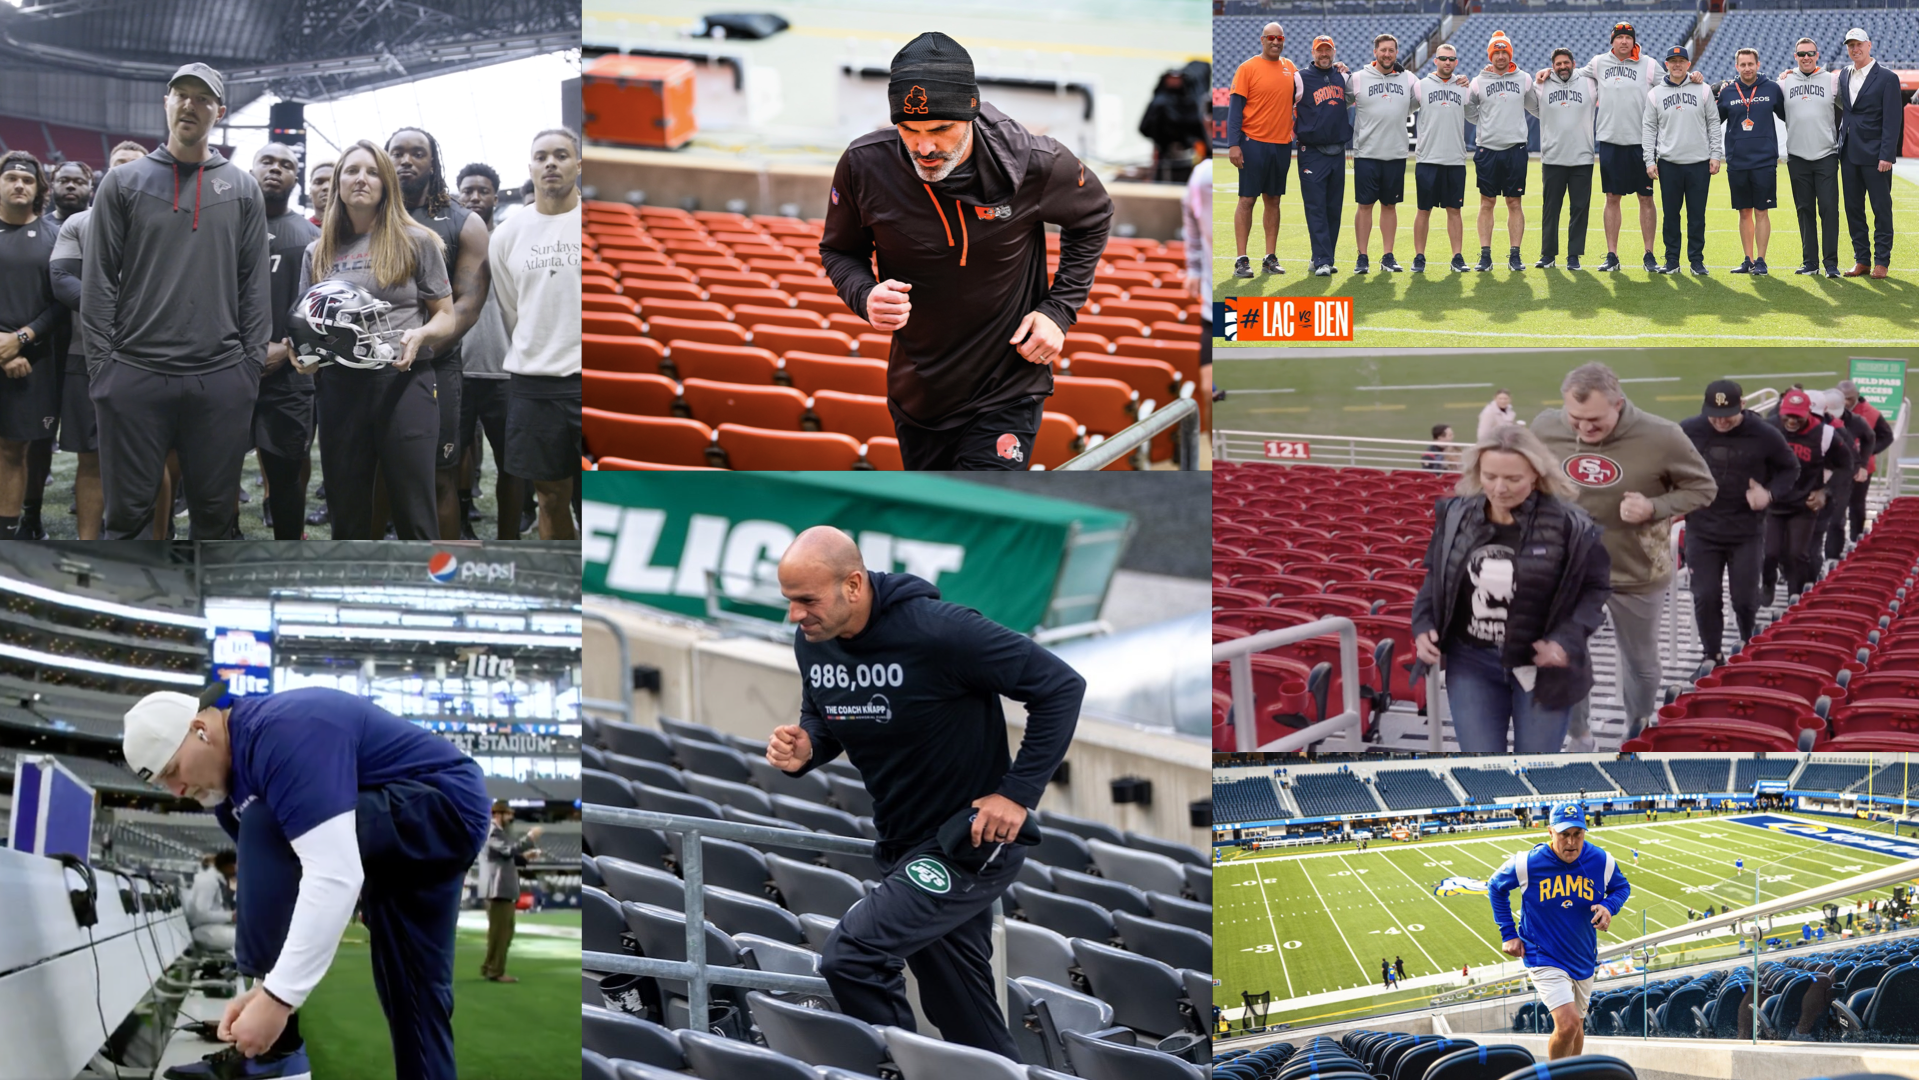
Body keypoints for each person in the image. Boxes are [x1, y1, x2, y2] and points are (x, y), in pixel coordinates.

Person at [767, 525, 1082, 1058]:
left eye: (806, 601)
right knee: (963, 1012)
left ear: (853, 585)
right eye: (789, 602)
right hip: (899, 839)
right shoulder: (815, 642)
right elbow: (823, 712)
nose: (795, 615)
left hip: (968, 841)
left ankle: (901, 1068)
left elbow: (1060, 687)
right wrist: (808, 747)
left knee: (853, 956)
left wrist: (1016, 793)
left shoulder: (942, 631)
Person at [124, 685, 490, 1080]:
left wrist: (276, 1000)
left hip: (444, 804)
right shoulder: (228, 797)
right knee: (414, 998)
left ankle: (275, 1055)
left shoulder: (283, 731)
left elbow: (333, 874)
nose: (176, 791)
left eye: (173, 771)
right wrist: (261, 988)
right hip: (405, 831)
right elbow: (280, 890)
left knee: (265, 821)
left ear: (200, 729)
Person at [819, 32, 1113, 468]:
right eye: (909, 129)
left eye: (941, 129)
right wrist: (865, 295)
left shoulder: (1036, 161)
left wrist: (1059, 311)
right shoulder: (864, 164)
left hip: (1007, 388)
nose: (925, 147)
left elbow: (1094, 216)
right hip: (918, 391)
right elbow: (839, 251)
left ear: (971, 112)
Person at [82, 63, 269, 540]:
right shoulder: (122, 183)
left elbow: (253, 285)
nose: (190, 104)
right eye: (181, 94)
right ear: (165, 103)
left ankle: (202, 610)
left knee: (214, 517)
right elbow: (98, 278)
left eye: (203, 98)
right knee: (127, 517)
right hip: (134, 373)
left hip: (221, 376)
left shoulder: (243, 188)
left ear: (219, 112)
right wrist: (104, 367)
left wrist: (247, 369)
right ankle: (132, 613)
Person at [1534, 362, 1716, 745]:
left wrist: (1654, 507)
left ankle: (1638, 725)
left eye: (1595, 419)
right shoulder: (1545, 427)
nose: (1584, 428)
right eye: (1575, 418)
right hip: (1570, 571)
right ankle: (1579, 733)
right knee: (1567, 655)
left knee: (1640, 662)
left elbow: (1703, 489)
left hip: (1636, 569)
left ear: (1619, 403)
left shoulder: (1663, 435)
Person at [1410, 424, 1612, 753]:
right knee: (1483, 768)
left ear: (1535, 474)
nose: (1499, 488)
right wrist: (1422, 625)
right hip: (1470, 663)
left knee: (1534, 770)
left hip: (1541, 668)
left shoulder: (1572, 525)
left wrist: (1565, 640)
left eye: (1513, 479)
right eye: (1490, 476)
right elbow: (1435, 578)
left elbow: (1596, 590)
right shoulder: (1454, 514)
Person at [295, 140, 457, 539]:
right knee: (346, 510)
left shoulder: (416, 241)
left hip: (405, 382)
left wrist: (419, 335)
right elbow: (306, 323)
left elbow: (446, 316)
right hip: (340, 388)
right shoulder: (317, 251)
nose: (361, 179)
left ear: (385, 183)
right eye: (351, 171)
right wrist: (305, 356)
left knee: (414, 510)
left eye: (371, 172)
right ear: (338, 184)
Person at [389, 127, 491, 539]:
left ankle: (443, 569)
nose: (406, 160)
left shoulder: (462, 222)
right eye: (397, 152)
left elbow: (468, 304)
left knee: (439, 476)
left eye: (417, 153)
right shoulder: (370, 212)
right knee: (379, 473)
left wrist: (424, 346)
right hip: (373, 366)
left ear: (434, 163)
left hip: (435, 369)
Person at [48, 140, 145, 540]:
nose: (126, 172)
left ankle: (148, 542)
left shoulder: (169, 222)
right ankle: (90, 544)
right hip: (85, 354)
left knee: (147, 461)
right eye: (119, 164)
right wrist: (117, 307)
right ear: (107, 171)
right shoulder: (80, 222)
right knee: (90, 459)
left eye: (134, 166)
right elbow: (60, 280)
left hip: (151, 357)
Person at [1547, 23, 1697, 273]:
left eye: (1628, 37)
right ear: (1612, 41)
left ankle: (1649, 254)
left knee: (1646, 198)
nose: (1624, 42)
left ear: (1634, 41)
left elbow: (1674, 80)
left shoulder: (1648, 64)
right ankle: (1612, 255)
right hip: (1610, 142)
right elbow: (1571, 75)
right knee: (1612, 198)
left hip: (1641, 144)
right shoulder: (1598, 62)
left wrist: (1695, 78)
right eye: (1620, 38)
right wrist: (1545, 73)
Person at [489, 129, 580, 540]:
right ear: (530, 167)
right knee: (549, 497)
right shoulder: (508, 233)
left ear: (579, 164)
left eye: (561, 155)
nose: (550, 163)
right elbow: (512, 309)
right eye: (541, 156)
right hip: (535, 386)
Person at [1487, 803, 1631, 1061]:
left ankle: (1571, 1073)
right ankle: (1554, 1074)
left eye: (1577, 833)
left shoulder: (1601, 860)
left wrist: (1609, 906)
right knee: (1566, 1024)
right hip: (1543, 954)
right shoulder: (1527, 863)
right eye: (1564, 834)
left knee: (1576, 1026)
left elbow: (1621, 888)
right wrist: (1508, 933)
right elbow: (1496, 886)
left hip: (1583, 955)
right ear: (1550, 832)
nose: (1571, 842)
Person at [1678, 380, 1799, 664]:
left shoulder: (1765, 434)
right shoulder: (1687, 430)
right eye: (1714, 414)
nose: (1720, 421)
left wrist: (1768, 494)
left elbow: (1790, 469)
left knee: (1744, 599)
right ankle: (1712, 655)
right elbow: (1665, 467)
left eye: (1728, 414)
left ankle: (1748, 645)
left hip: (1747, 530)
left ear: (1742, 406)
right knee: (1706, 596)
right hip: (1702, 529)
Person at [250, 143, 320, 540]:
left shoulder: (312, 236)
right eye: (268, 162)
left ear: (297, 178)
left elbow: (320, 310)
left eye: (287, 165)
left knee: (287, 477)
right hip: (226, 368)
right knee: (214, 475)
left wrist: (287, 346)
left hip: (289, 376)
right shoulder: (227, 225)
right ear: (252, 168)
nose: (276, 169)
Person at [24, 160, 94, 540]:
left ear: (90, 185)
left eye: (78, 181)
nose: (71, 186)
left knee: (92, 447)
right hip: (47, 347)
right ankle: (30, 514)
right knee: (36, 437)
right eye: (64, 180)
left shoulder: (101, 226)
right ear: (52, 184)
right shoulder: (41, 230)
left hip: (86, 346)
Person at [0, 151, 64, 541]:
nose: (19, 184)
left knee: (13, 452)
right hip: (8, 357)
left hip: (33, 361)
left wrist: (21, 339)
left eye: (28, 179)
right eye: (11, 178)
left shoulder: (54, 238)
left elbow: (62, 303)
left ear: (40, 188)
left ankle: (7, 537)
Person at [453, 161, 517, 541]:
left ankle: (511, 537)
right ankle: (459, 522)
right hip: (457, 368)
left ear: (496, 195)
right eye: (468, 190)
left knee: (512, 464)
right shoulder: (449, 239)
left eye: (483, 190)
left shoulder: (511, 240)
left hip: (505, 371)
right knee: (452, 456)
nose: (475, 197)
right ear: (458, 194)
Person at [1641, 46, 1722, 275]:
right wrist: (1649, 160)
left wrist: (1715, 154)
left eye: (1681, 61)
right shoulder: (1655, 93)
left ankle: (1696, 260)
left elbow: (1713, 124)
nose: (1677, 65)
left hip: (1698, 163)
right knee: (1671, 216)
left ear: (1688, 64)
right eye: (1672, 61)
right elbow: (1649, 129)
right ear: (1666, 64)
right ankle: (1672, 260)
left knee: (1697, 216)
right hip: (1669, 163)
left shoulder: (1703, 89)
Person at [1764, 388, 1849, 605]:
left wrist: (1825, 491)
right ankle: (1767, 584)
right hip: (1774, 500)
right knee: (1770, 551)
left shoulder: (1825, 434)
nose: (1791, 421)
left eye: (1797, 417)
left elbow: (1846, 465)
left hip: (1805, 503)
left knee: (1797, 554)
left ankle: (1796, 595)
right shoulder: (1768, 428)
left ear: (1808, 413)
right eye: (1788, 415)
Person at [1226, 23, 1297, 279]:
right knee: (1247, 200)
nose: (1276, 42)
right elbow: (1235, 109)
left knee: (1274, 200)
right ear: (1262, 40)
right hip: (1253, 143)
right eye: (1271, 38)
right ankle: (1241, 259)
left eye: (1280, 38)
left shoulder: (1291, 68)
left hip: (1281, 145)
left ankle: (1269, 257)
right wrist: (1233, 144)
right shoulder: (1247, 68)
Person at [1467, 31, 1536, 272]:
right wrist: (1484, 122)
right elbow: (1468, 108)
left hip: (1515, 149)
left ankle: (1514, 255)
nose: (1500, 56)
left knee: (1514, 202)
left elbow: (1535, 106)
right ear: (1490, 55)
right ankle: (1485, 255)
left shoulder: (1524, 78)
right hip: (1487, 150)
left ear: (1510, 54)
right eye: (1495, 52)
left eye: (1503, 52)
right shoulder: (1479, 81)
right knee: (1487, 203)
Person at [1349, 34, 1417, 275]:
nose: (1387, 54)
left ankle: (1388, 256)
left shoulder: (1408, 78)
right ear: (1375, 51)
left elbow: (1424, 94)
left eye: (1391, 50)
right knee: (1364, 205)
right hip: (1367, 153)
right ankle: (1362, 256)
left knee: (1390, 206)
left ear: (1396, 53)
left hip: (1396, 153)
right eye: (1383, 50)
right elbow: (1340, 100)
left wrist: (1458, 80)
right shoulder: (1357, 78)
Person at [1835, 28, 1900, 279]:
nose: (1855, 49)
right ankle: (1862, 259)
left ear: (1869, 45)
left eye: (1859, 44)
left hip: (1876, 156)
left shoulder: (1887, 77)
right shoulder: (1843, 75)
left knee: (1881, 209)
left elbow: (1892, 120)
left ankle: (1882, 261)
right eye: (1850, 45)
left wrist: (1887, 155)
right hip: (1848, 153)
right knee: (1853, 209)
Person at [1715, 48, 1784, 275]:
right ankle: (1748, 259)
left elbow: (1788, 114)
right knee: (1744, 212)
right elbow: (1713, 121)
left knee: (1761, 211)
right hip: (1737, 161)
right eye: (1742, 65)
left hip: (1764, 160)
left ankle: (1761, 260)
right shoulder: (1727, 93)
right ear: (1737, 67)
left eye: (1750, 64)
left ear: (1758, 64)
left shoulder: (1772, 89)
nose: (1747, 68)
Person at [1778, 39, 1843, 277]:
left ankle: (1831, 264)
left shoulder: (1832, 79)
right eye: (1801, 54)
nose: (1806, 57)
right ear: (1795, 56)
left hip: (1826, 154)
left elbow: (1850, 108)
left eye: (1810, 53)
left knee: (1829, 209)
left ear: (1817, 55)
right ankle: (1810, 263)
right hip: (1797, 155)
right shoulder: (1784, 82)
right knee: (1804, 209)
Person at [1533, 48, 1598, 269]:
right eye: (1558, 64)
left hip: (1582, 157)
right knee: (1551, 209)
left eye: (1566, 63)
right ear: (1552, 66)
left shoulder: (1589, 83)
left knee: (1579, 209)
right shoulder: (1540, 85)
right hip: (1552, 157)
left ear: (1574, 63)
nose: (1562, 67)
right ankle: (1548, 255)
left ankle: (1573, 256)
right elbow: (1532, 106)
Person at [1291, 34, 1349, 278]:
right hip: (1311, 152)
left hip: (1338, 151)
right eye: (1320, 50)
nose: (1324, 54)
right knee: (1316, 208)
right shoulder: (1299, 78)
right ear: (1313, 52)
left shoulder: (1344, 76)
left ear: (1334, 52)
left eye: (1328, 50)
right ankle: (1323, 260)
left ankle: (1323, 258)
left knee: (1333, 208)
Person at [1411, 43, 1471, 273]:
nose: (1447, 62)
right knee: (1423, 210)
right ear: (1435, 60)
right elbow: (1403, 109)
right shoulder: (1421, 86)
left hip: (1455, 158)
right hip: (1427, 158)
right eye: (1443, 58)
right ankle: (1419, 257)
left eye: (1452, 59)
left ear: (1456, 62)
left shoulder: (1464, 87)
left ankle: (1457, 257)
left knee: (1454, 210)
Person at [478, 800, 542, 983]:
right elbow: (509, 850)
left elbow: (504, 856)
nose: (511, 817)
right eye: (508, 814)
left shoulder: (495, 831)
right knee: (502, 932)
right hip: (498, 889)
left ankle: (489, 967)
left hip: (499, 888)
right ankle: (495, 971)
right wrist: (530, 838)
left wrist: (524, 857)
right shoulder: (493, 830)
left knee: (499, 931)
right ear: (498, 814)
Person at [1816, 388, 1872, 564]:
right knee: (1809, 523)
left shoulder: (1851, 424)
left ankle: (1831, 558)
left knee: (1836, 519)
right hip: (1814, 477)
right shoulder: (1808, 424)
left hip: (1840, 477)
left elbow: (1868, 439)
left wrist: (1862, 465)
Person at [1838, 379, 1894, 543]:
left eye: (1849, 398)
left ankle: (1856, 538)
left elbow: (1887, 436)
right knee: (1836, 507)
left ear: (1856, 396)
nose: (1846, 402)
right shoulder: (1832, 409)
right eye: (1842, 398)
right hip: (1838, 466)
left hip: (1862, 467)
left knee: (1856, 504)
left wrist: (1868, 452)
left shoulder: (1872, 413)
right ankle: (1837, 541)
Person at [186, 847, 238, 953]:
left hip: (211, 927)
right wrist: (230, 916)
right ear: (229, 866)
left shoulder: (216, 880)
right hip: (202, 931)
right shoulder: (208, 881)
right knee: (245, 939)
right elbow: (200, 915)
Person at [306, 160, 333, 228]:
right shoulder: (300, 230)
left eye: (333, 182)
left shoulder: (357, 229)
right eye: (318, 182)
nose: (326, 187)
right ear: (310, 192)